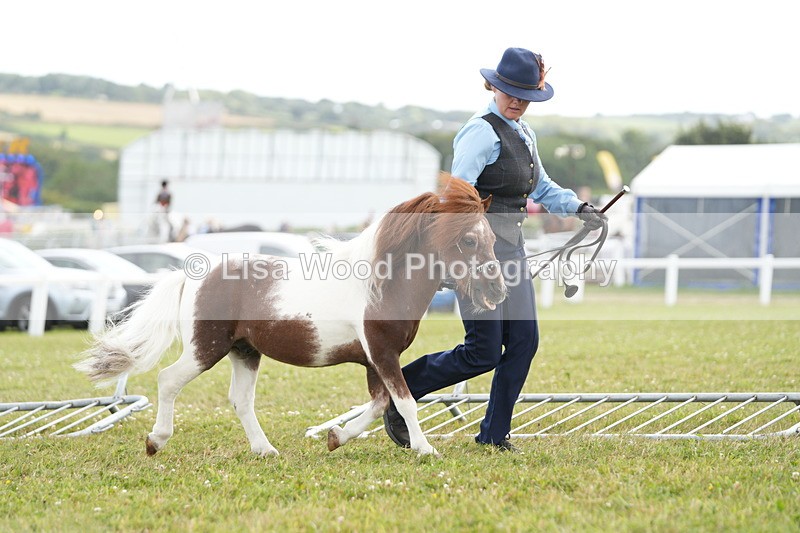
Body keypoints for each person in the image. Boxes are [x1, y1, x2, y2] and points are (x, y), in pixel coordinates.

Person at [383, 47, 606, 452]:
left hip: (513, 252)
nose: (517, 101)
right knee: (482, 352)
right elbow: (455, 199)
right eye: (510, 92)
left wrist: (579, 207)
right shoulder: (480, 132)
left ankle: (494, 434)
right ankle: (401, 392)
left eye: (526, 95)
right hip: (478, 258)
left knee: (524, 342)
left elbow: (541, 187)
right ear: (494, 86)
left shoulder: (524, 133)